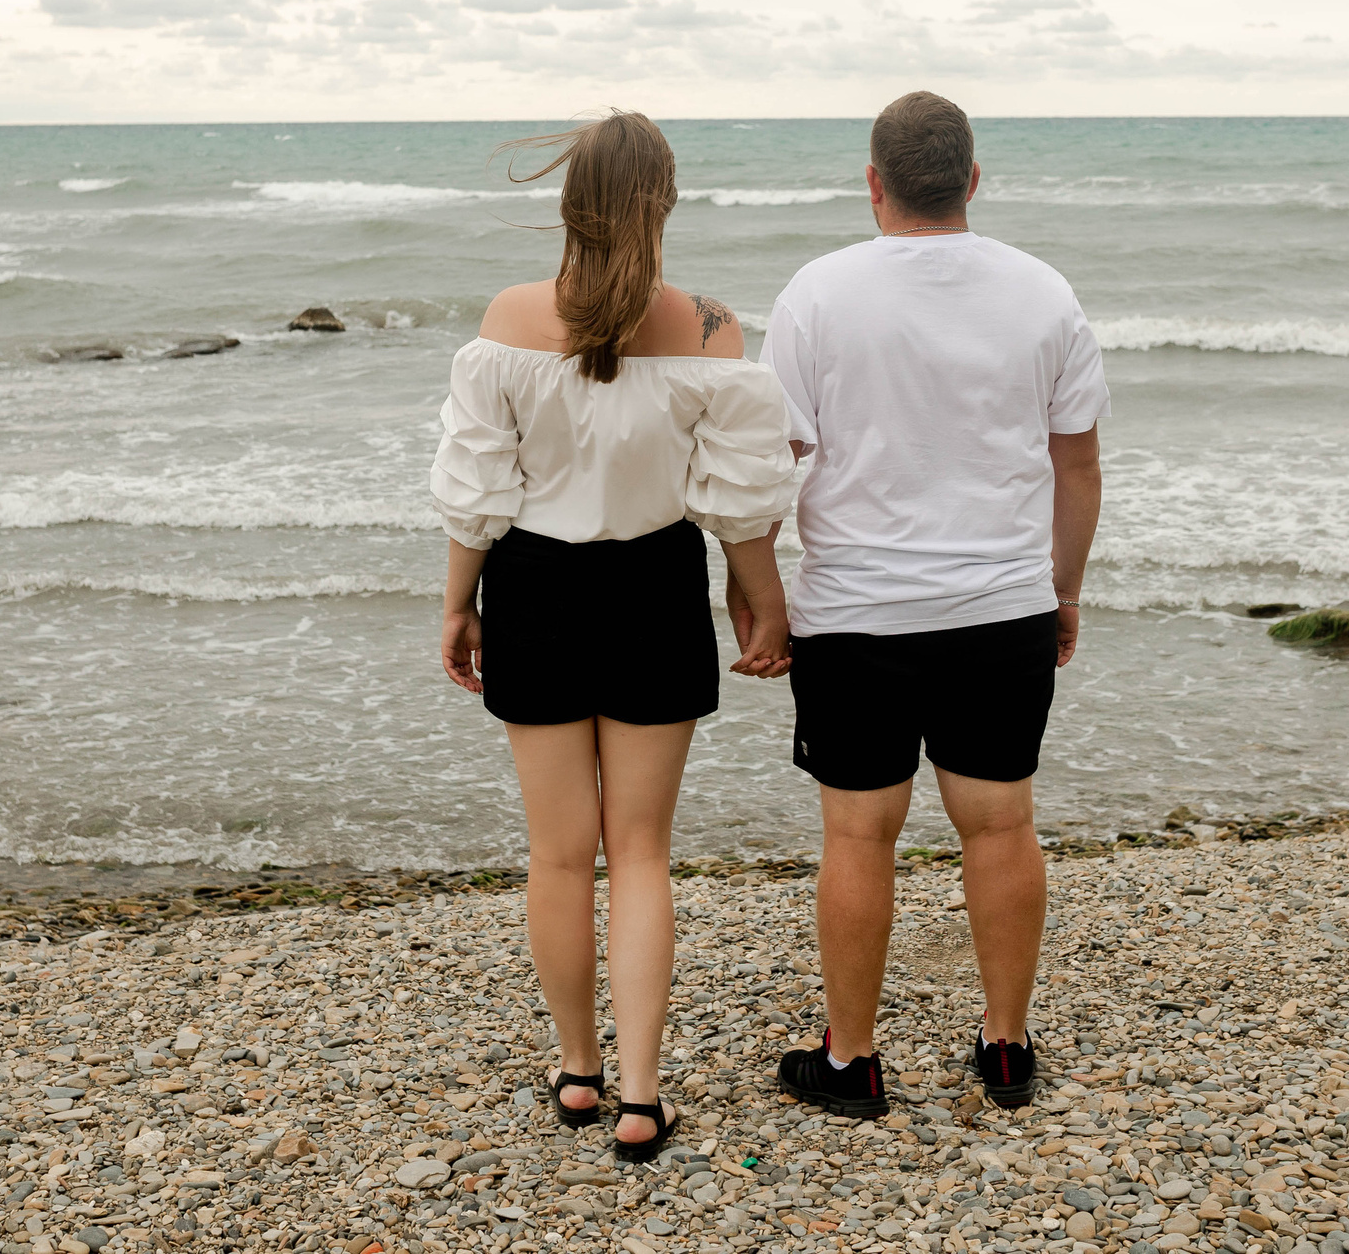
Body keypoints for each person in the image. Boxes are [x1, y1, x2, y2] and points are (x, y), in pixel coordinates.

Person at [430, 108, 799, 1163]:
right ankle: (642, 1097)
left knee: (558, 856)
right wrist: (760, 600)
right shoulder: (712, 329)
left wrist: (459, 603)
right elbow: (738, 502)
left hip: (534, 586)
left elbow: (477, 493)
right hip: (652, 588)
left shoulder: (507, 318)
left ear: (567, 201)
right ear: (665, 203)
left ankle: (579, 1074)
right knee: (640, 853)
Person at [751, 90, 1108, 1118]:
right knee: (999, 826)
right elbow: (1077, 463)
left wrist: (763, 600)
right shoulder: (1041, 292)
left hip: (854, 614)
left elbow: (771, 468)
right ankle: (1003, 1049)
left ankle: (851, 1061)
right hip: (1001, 604)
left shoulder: (817, 295)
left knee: (859, 836)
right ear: (971, 181)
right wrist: (1062, 590)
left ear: (873, 185)